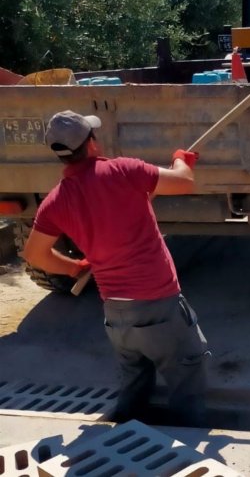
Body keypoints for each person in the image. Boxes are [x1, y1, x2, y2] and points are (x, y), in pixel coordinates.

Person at [22, 110, 210, 426]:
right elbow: (184, 182)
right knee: (187, 374)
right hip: (158, 304)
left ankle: (124, 436)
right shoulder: (123, 170)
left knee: (135, 382)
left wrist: (72, 267)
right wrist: (181, 159)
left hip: (116, 316)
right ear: (91, 143)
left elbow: (34, 254)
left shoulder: (56, 201)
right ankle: (186, 450)